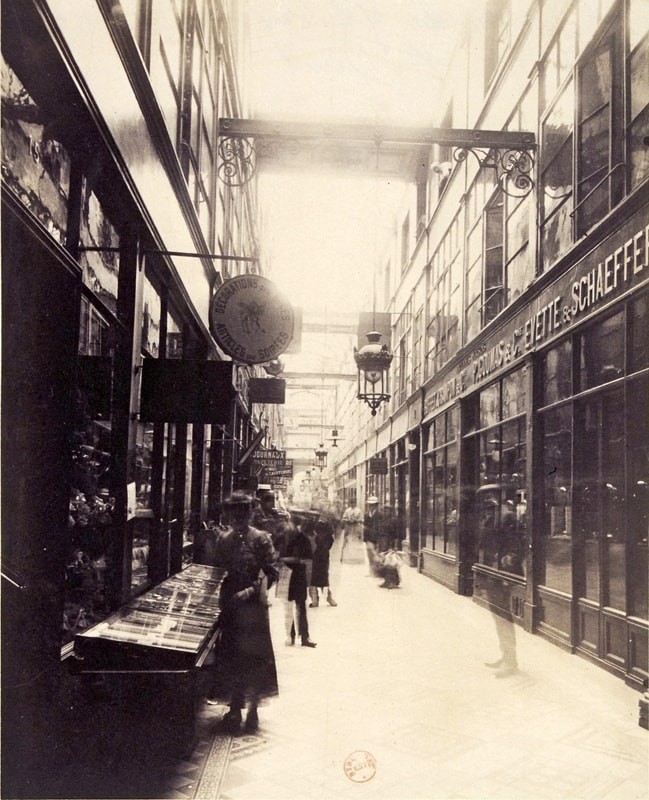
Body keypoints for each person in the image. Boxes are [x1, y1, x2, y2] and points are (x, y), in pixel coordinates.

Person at [208, 491, 279, 733]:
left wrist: (250, 591)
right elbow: (216, 571)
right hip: (230, 604)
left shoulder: (261, 539)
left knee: (255, 657)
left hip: (253, 606)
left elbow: (271, 572)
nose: (238, 517)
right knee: (231, 656)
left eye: (243, 511)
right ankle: (235, 708)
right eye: (233, 512)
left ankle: (254, 710)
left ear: (249, 513)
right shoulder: (223, 539)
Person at [277, 510, 317, 647]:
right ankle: (292, 635)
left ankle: (303, 637)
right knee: (289, 606)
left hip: (297, 574)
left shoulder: (301, 538)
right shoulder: (283, 537)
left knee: (300, 605)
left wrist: (283, 559)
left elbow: (306, 558)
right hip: (287, 574)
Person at [309, 514, 337, 607]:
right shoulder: (316, 524)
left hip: (321, 553)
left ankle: (320, 597)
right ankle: (317, 597)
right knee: (317, 575)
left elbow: (331, 539)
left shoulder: (325, 526)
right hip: (317, 553)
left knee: (321, 575)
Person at [363, 496, 383, 576]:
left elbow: (381, 527)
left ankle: (377, 572)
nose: (371, 507)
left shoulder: (380, 515)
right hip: (369, 538)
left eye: (373, 505)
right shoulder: (366, 515)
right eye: (370, 505)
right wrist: (365, 538)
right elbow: (365, 527)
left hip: (377, 537)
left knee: (377, 554)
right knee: (370, 555)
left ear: (376, 505)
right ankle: (371, 572)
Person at [340, 499, 364, 564]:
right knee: (346, 541)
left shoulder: (358, 511)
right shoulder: (347, 511)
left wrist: (356, 520)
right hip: (348, 528)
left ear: (355, 504)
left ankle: (357, 557)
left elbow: (362, 519)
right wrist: (347, 520)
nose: (352, 504)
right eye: (351, 503)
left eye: (353, 503)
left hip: (356, 528)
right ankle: (343, 556)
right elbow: (343, 519)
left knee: (356, 542)